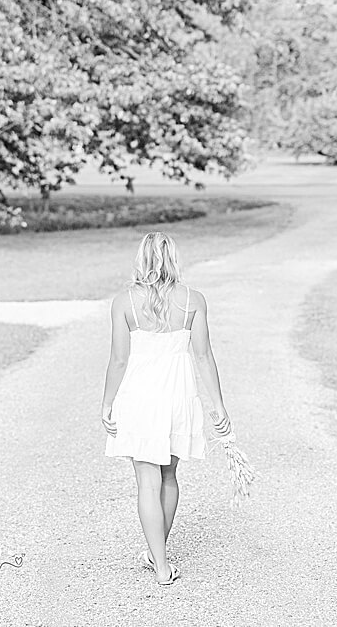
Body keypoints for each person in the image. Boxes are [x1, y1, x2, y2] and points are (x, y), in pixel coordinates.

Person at [101, 231, 233, 586]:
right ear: (173, 258)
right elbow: (203, 356)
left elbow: (117, 359)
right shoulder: (194, 300)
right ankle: (158, 554)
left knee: (146, 482)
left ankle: (159, 564)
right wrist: (218, 405)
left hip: (139, 396)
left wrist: (107, 402)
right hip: (178, 395)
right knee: (168, 477)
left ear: (142, 259)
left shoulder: (124, 302)